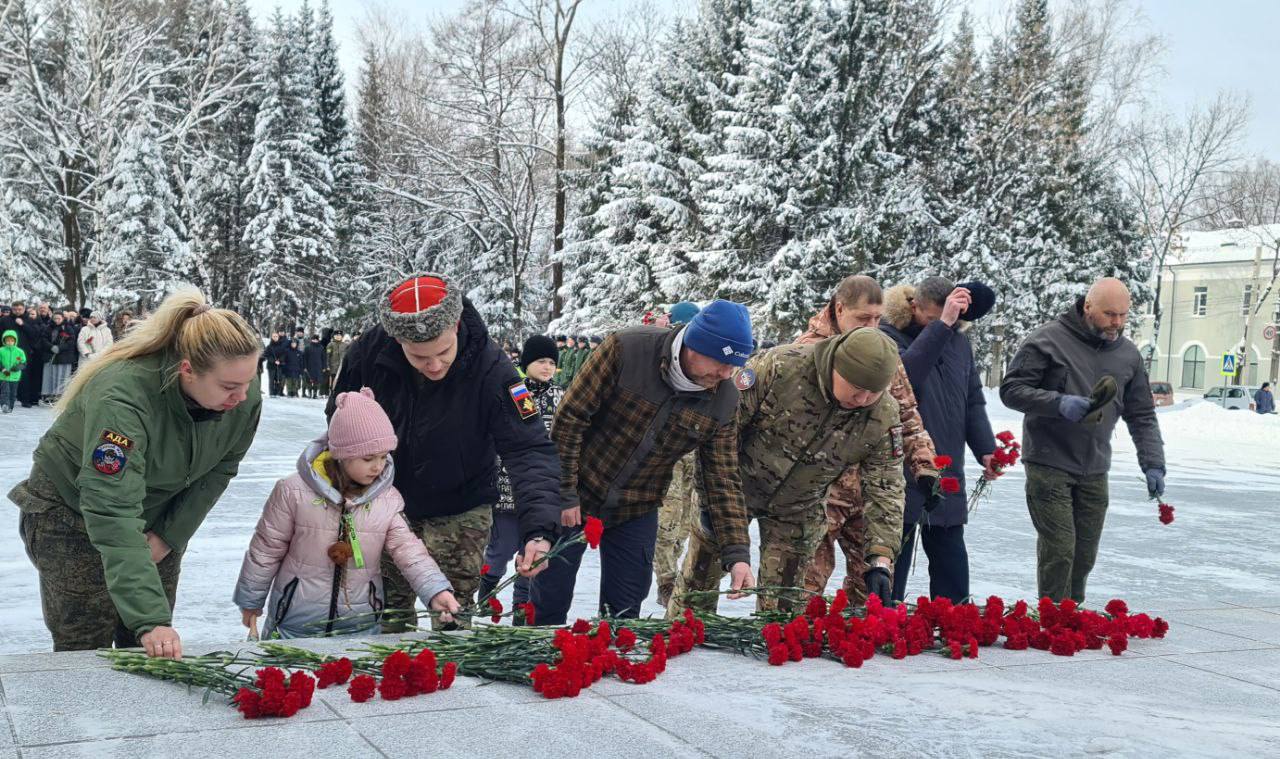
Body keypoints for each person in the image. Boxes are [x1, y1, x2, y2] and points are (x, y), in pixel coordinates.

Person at [7, 289, 261, 658]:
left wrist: (168, 534)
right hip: (72, 509)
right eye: (229, 387)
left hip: (155, 510)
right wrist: (150, 618)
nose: (242, 397)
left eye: (249, 382)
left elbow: (219, 469)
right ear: (187, 370)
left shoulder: (242, 398)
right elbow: (110, 504)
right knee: (86, 643)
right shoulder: (123, 396)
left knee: (148, 647)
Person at [327, 273, 560, 631]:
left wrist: (539, 531)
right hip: (385, 507)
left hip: (461, 508)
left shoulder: (494, 369)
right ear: (397, 338)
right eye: (419, 357)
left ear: (455, 324)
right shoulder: (367, 355)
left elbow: (528, 448)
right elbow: (338, 425)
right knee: (384, 618)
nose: (434, 365)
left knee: (452, 619)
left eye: (443, 353)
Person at [534, 300, 758, 626]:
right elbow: (570, 420)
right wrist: (565, 493)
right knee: (548, 596)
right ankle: (539, 658)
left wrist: (737, 555)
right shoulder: (627, 349)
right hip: (578, 490)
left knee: (625, 614)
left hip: (637, 507)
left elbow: (722, 476)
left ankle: (607, 660)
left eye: (733, 366)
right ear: (696, 345)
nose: (726, 374)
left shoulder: (724, 399)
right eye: (721, 362)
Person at [677, 328, 906, 616]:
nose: (862, 399)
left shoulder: (882, 415)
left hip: (798, 508)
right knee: (694, 597)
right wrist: (713, 502)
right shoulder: (780, 367)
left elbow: (886, 487)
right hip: (732, 492)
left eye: (873, 392)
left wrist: (880, 561)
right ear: (836, 365)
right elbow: (719, 431)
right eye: (856, 387)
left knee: (782, 616)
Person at [235, 387, 459, 639]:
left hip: (360, 624)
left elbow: (410, 551)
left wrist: (435, 590)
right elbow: (266, 549)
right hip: (295, 624)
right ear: (342, 455)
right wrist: (251, 600)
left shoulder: (386, 500)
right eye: (367, 458)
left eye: (384, 456)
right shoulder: (294, 492)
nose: (378, 466)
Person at [1000, 277, 1166, 604]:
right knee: (1060, 549)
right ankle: (1053, 620)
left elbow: (1143, 414)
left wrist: (1154, 463)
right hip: (1049, 462)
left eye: (1123, 315)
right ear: (1088, 307)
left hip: (1094, 466)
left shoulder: (1128, 355)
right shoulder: (1047, 340)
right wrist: (1058, 403)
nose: (1116, 322)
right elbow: (1011, 390)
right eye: (1109, 314)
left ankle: (1070, 615)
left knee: (1084, 554)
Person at [796, 275, 938, 604]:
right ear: (840, 308)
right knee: (804, 589)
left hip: (870, 493)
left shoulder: (883, 354)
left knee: (871, 591)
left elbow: (906, 414)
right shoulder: (808, 351)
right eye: (863, 318)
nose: (871, 327)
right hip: (820, 495)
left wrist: (925, 465)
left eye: (877, 319)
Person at [881, 277, 999, 604]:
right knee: (894, 550)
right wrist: (941, 326)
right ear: (913, 305)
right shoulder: (887, 335)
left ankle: (953, 620)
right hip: (901, 463)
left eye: (947, 319)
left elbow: (972, 400)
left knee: (950, 552)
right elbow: (904, 378)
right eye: (932, 320)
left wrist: (986, 450)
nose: (944, 326)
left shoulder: (959, 344)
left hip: (947, 463)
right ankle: (883, 617)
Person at [480, 335, 565, 613]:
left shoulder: (560, 397)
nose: (547, 367)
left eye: (552, 362)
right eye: (541, 361)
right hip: (508, 487)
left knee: (530, 552)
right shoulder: (515, 392)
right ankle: (486, 592)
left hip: (541, 491)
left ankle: (521, 606)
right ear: (527, 362)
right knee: (501, 549)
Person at [652, 301, 702, 607]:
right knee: (667, 518)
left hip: (693, 452)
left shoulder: (704, 365)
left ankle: (673, 572)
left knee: (686, 520)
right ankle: (666, 579)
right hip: (666, 452)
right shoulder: (661, 362)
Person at [1, 301, 46, 408]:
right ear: (12, 309)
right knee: (5, 374)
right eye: (15, 309)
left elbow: (35, 335)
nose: (17, 312)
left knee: (24, 376)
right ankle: (4, 399)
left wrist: (23, 324)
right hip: (6, 352)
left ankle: (25, 399)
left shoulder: (30, 320)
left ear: (24, 309)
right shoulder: (4, 320)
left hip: (23, 352)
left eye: (20, 309)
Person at [42, 313, 77, 401]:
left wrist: (60, 348)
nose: (56, 320)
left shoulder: (68, 327)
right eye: (55, 318)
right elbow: (44, 339)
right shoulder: (49, 327)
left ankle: (60, 394)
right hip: (51, 355)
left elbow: (71, 341)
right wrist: (51, 347)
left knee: (61, 375)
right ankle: (49, 394)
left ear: (62, 318)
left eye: (59, 318)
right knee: (51, 375)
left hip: (64, 356)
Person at [1, 329, 26, 413]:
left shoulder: (19, 352)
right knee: (5, 391)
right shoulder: (1, 351)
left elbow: (23, 363)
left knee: (13, 393)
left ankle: (10, 407)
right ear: (4, 340)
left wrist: (17, 368)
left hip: (15, 376)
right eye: (7, 340)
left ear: (15, 341)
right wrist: (3, 369)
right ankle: (4, 405)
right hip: (3, 375)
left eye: (11, 340)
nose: (9, 342)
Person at [325, 330, 348, 395]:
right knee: (333, 380)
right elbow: (328, 356)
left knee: (341, 381)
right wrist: (327, 365)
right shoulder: (330, 344)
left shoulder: (345, 345)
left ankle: (340, 392)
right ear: (334, 336)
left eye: (340, 335)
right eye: (336, 335)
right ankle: (332, 392)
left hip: (342, 367)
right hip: (333, 367)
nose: (338, 337)